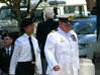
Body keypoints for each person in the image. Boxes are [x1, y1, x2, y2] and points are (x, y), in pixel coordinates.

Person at [36, 7, 58, 75]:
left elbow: (38, 39)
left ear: (45, 15)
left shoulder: (40, 25)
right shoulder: (57, 24)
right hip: (57, 50)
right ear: (53, 14)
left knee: (45, 70)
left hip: (44, 51)